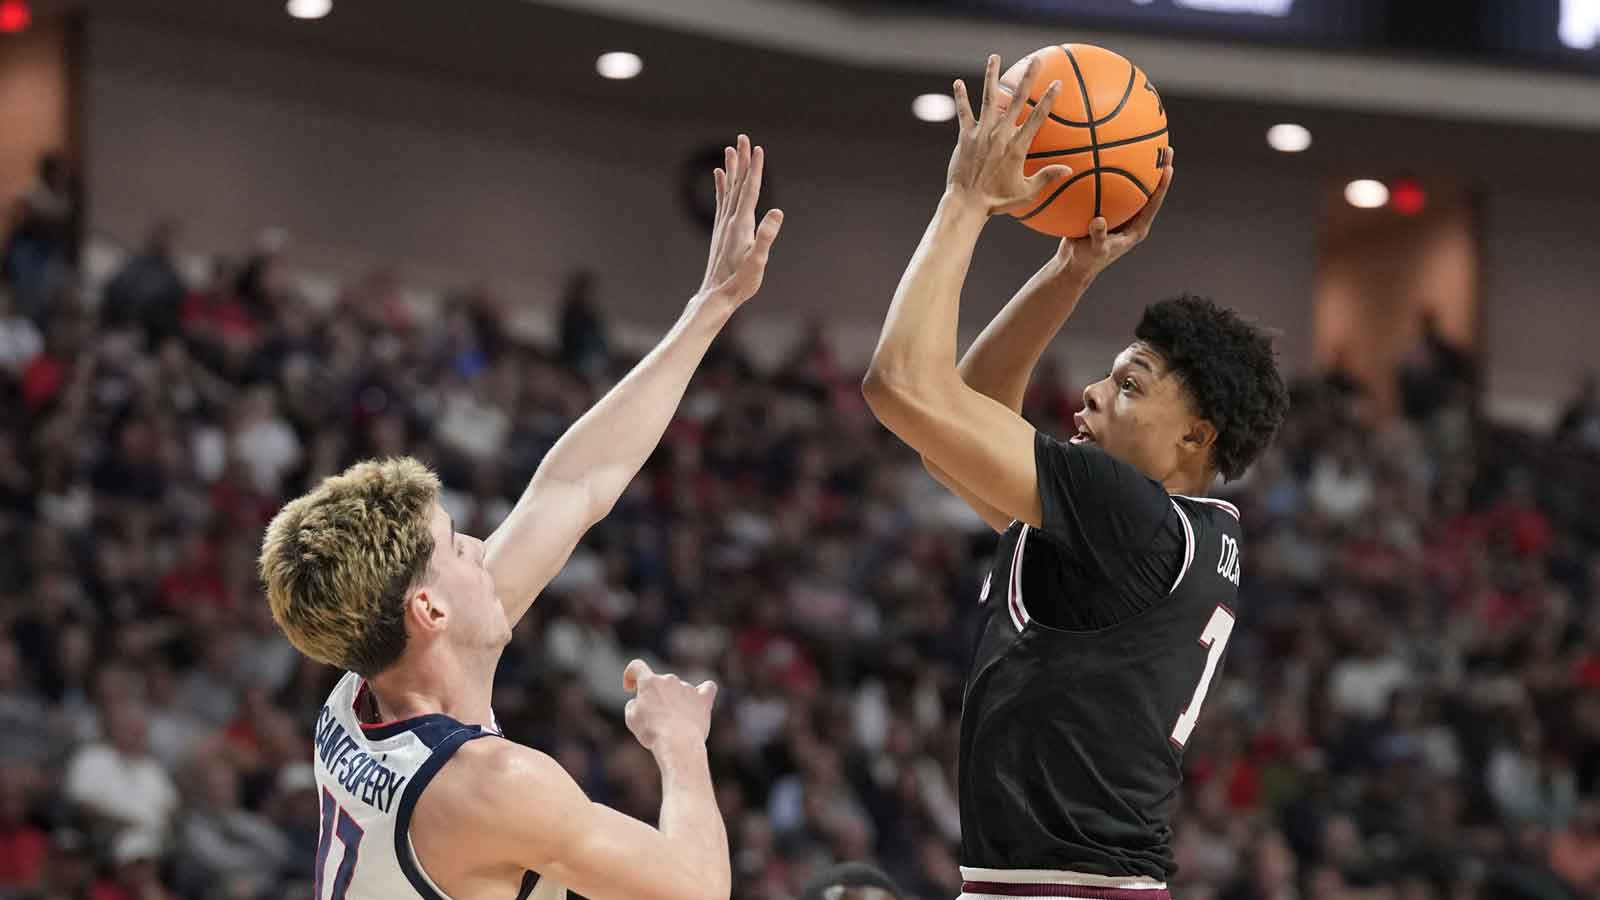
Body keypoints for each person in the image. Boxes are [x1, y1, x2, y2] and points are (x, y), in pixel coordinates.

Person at [258, 135, 783, 900]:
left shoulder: (363, 690)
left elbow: (574, 484)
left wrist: (709, 310)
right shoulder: (487, 785)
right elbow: (696, 890)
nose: (479, 545)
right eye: (455, 547)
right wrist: (681, 747)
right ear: (427, 608)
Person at [861, 56, 1289, 897]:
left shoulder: (1127, 516)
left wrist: (967, 200)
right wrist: (1071, 270)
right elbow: (956, 427)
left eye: (1129, 385)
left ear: (1194, 436)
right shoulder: (1175, 532)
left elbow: (903, 388)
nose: (1091, 391)